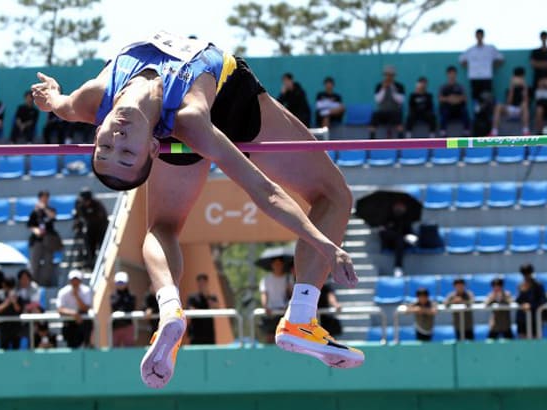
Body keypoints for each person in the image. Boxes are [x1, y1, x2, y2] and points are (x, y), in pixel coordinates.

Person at [30, 31, 362, 389]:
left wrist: (50, 97)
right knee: (334, 194)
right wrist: (326, 245)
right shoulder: (189, 121)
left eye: (106, 147)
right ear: (155, 148)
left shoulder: (90, 100)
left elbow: (60, 104)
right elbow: (263, 191)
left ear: (97, 132)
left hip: (198, 101)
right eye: (127, 153)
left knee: (165, 226)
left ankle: (182, 310)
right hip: (226, 102)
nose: (118, 140)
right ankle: (296, 316)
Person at [27, 190, 62, 287]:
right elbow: (30, 225)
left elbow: (53, 217)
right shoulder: (35, 212)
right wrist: (36, 231)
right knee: (34, 263)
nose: (45, 199)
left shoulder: (51, 209)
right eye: (43, 197)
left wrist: (45, 208)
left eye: (47, 197)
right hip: (37, 240)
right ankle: (33, 283)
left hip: (49, 241)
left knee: (48, 263)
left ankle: (45, 283)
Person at [459, 28, 504, 103]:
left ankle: (487, 113)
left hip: (486, 77)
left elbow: (501, 58)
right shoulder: (471, 50)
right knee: (476, 99)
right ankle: (477, 113)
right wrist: (470, 67)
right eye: (477, 35)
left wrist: (493, 66)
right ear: (475, 36)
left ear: (483, 36)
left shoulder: (490, 48)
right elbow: (461, 60)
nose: (479, 37)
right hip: (474, 77)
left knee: (487, 98)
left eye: (480, 35)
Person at [72, 188, 108, 271]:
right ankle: (91, 264)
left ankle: (104, 265)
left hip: (100, 229)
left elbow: (102, 217)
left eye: (86, 200)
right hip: (90, 230)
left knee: (102, 247)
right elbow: (78, 217)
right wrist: (77, 224)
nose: (85, 202)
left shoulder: (97, 204)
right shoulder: (80, 206)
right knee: (90, 248)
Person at [378, 200, 416, 278]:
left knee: (400, 241)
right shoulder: (387, 218)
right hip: (390, 243)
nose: (399, 208)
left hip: (402, 244)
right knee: (397, 238)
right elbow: (383, 233)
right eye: (397, 206)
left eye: (401, 206)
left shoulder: (407, 219)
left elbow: (410, 233)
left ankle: (398, 267)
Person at [258, 257, 292, 344]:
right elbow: (264, 294)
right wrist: (265, 306)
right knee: (270, 337)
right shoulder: (265, 279)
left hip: (283, 312)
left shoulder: (288, 278)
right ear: (272, 265)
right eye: (276, 264)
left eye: (279, 264)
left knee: (283, 337)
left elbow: (291, 294)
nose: (278, 266)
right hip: (271, 312)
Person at [56, 269, 93, 348]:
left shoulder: (86, 291)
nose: (75, 282)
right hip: (69, 323)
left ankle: (87, 343)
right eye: (73, 280)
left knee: (87, 323)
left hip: (83, 323)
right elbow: (59, 309)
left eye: (77, 280)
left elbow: (86, 308)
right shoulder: (63, 292)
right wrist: (73, 314)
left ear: (80, 281)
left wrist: (76, 296)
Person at [490, 67, 530, 136]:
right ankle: (494, 132)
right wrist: (512, 88)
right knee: (498, 106)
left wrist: (524, 87)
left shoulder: (525, 88)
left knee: (524, 104)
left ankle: (526, 131)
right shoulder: (510, 88)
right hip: (510, 110)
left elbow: (527, 102)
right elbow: (509, 102)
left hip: (520, 110)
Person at [369, 65, 405, 139]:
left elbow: (400, 100)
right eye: (387, 75)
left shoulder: (399, 86)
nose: (388, 77)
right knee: (374, 116)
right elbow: (378, 100)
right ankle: (371, 140)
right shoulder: (379, 86)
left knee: (399, 118)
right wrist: (383, 89)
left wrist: (392, 88)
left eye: (390, 75)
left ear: (394, 76)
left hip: (395, 111)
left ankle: (401, 141)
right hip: (382, 111)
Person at [515, 263, 547, 339]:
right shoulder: (521, 285)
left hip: (535, 319)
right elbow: (518, 301)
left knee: (536, 342)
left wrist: (531, 305)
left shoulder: (538, 285)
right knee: (523, 341)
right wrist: (522, 292)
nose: (526, 276)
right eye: (524, 274)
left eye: (527, 273)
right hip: (522, 319)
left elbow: (544, 300)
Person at [0, 277, 23, 350]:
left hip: (16, 327)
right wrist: (7, 302)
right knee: (3, 349)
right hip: (3, 327)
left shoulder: (18, 295)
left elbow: (19, 310)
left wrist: (14, 302)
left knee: (16, 350)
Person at [185, 273, 218, 345]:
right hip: (196, 333)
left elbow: (215, 308)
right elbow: (190, 310)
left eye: (203, 282)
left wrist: (206, 296)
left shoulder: (212, 297)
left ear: (207, 283)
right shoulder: (192, 298)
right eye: (199, 282)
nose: (201, 285)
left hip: (209, 333)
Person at [438, 66, 471, 136]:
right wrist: (449, 99)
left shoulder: (460, 87)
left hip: (458, 109)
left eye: (453, 73)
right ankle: (443, 132)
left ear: (456, 74)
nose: (452, 75)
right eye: (450, 73)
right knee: (443, 112)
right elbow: (440, 98)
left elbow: (465, 98)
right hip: (448, 109)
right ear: (447, 74)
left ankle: (466, 132)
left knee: (465, 112)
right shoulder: (443, 87)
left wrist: (456, 99)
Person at [110, 271, 138, 347]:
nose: (120, 285)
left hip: (127, 325)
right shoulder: (113, 296)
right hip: (115, 326)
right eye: (118, 283)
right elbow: (114, 306)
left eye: (122, 283)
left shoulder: (131, 296)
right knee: (115, 349)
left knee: (130, 348)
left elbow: (130, 307)